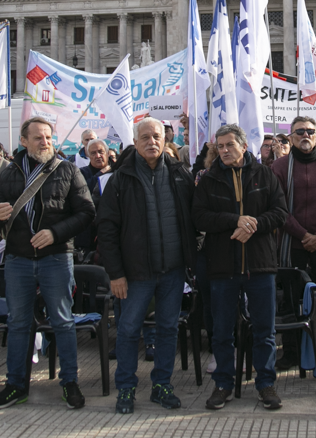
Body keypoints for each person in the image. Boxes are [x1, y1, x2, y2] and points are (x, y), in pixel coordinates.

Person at [0, 117, 95, 411]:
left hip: (56, 257)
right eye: (38, 138)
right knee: (18, 323)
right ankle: (15, 385)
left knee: (63, 321)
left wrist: (55, 233)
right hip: (18, 259)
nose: (45, 142)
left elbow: (86, 212)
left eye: (48, 137)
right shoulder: (9, 173)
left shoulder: (67, 169)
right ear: (24, 141)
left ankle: (70, 382)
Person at [96, 118, 196, 414]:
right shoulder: (120, 179)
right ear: (135, 142)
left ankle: (161, 384)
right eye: (145, 137)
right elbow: (107, 230)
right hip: (135, 274)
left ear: (165, 140)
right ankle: (126, 387)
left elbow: (193, 218)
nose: (152, 142)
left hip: (173, 271)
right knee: (128, 330)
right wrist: (116, 274)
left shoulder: (180, 174)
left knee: (167, 329)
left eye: (157, 136)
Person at [192, 124, 288, 411]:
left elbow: (280, 212)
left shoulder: (265, 174)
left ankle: (265, 383)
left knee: (264, 330)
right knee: (222, 330)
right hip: (222, 266)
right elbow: (199, 217)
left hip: (260, 265)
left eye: (229, 145)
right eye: (219, 146)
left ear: (244, 147)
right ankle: (223, 383)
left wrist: (253, 225)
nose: (224, 150)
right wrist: (234, 221)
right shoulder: (209, 179)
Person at [271, 116, 316, 371]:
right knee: (291, 300)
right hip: (292, 245)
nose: (305, 135)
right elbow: (278, 208)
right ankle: (291, 351)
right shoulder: (279, 167)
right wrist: (303, 235)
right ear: (291, 136)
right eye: (300, 131)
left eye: (310, 131)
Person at [76, 138, 112, 259]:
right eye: (93, 153)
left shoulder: (118, 171)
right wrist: (100, 174)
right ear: (88, 155)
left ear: (107, 153)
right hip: (88, 231)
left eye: (101, 152)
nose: (98, 156)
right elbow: (84, 191)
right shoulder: (81, 173)